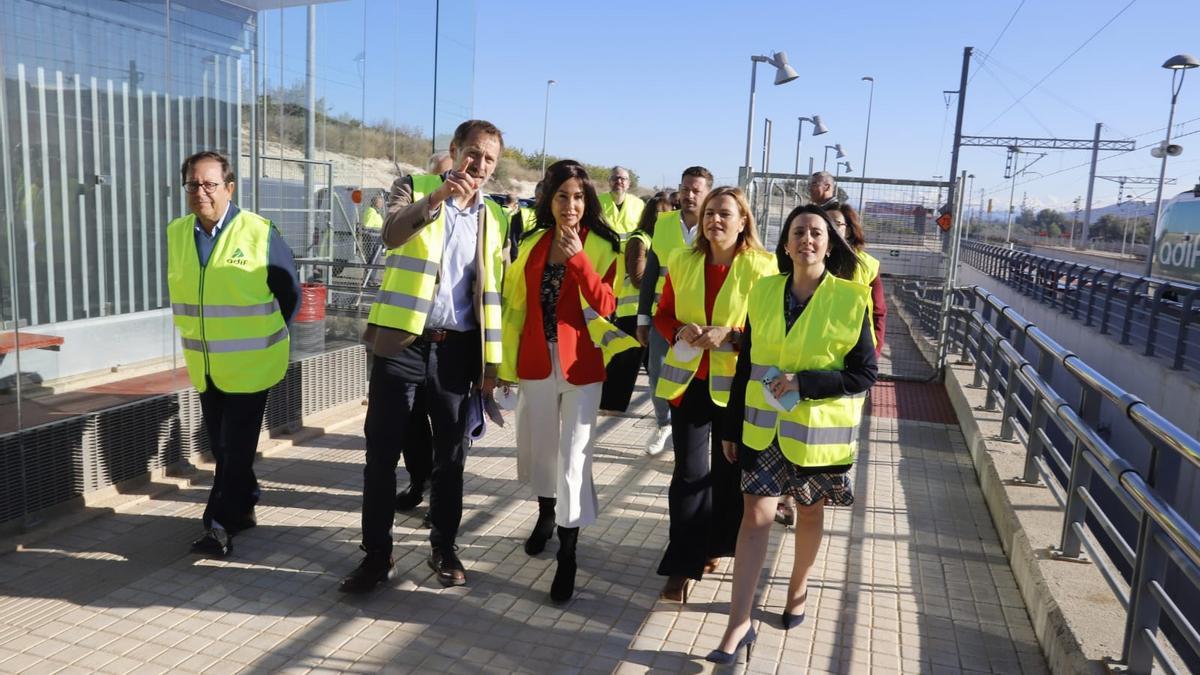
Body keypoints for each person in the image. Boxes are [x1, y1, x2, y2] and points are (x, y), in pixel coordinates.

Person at [340, 120, 508, 593]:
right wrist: (436, 200)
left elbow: (496, 293)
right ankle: (377, 555)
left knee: (451, 457)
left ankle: (444, 546)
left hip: (457, 352)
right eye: (472, 153)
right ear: (455, 151)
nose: (478, 164)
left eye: (489, 159)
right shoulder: (414, 187)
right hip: (402, 345)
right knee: (381, 454)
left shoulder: (493, 217)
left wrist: (492, 368)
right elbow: (391, 234)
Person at [707, 204, 878, 664]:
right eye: (798, 231)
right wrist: (731, 424)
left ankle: (797, 590)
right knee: (755, 520)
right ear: (785, 244)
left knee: (810, 516)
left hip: (816, 435)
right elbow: (746, 365)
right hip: (763, 429)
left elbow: (863, 374)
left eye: (816, 232)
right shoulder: (763, 292)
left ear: (829, 244)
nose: (807, 238)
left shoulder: (851, 297)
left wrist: (805, 382)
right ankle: (738, 623)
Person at [499, 160, 638, 603]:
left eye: (578, 197)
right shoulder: (534, 241)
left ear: (588, 201)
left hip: (582, 365)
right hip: (536, 360)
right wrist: (502, 366)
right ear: (548, 199)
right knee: (539, 449)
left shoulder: (603, 244)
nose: (571, 205)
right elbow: (515, 306)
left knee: (574, 456)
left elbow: (608, 302)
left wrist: (578, 259)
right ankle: (545, 516)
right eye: (562, 196)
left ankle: (569, 552)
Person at [167, 150, 300, 558]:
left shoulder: (259, 232)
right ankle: (245, 502)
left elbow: (290, 294)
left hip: (252, 365)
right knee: (224, 447)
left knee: (235, 447)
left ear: (229, 187)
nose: (200, 192)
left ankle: (219, 525)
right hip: (207, 367)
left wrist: (265, 336)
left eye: (209, 184)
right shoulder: (177, 233)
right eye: (193, 184)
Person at [652, 187, 775, 602]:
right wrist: (678, 330)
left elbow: (769, 330)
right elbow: (663, 314)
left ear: (743, 221)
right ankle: (682, 563)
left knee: (727, 476)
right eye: (709, 214)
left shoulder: (763, 267)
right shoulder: (682, 261)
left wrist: (732, 335)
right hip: (688, 384)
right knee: (688, 475)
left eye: (724, 214)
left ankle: (715, 545)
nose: (714, 221)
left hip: (737, 389)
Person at [636, 167, 713, 456]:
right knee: (657, 373)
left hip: (701, 323)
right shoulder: (664, 223)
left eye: (697, 190)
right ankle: (663, 423)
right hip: (664, 317)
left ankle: (693, 435)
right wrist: (643, 317)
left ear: (707, 194)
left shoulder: (714, 226)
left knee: (697, 378)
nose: (690, 195)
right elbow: (652, 271)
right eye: (685, 189)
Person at [599, 193, 673, 413]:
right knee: (626, 365)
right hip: (634, 311)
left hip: (651, 311)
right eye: (661, 212)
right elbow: (639, 277)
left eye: (668, 213)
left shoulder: (661, 240)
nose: (665, 217)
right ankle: (610, 407)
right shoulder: (640, 239)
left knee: (654, 369)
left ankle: (664, 414)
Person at [597, 166, 645, 240]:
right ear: (609, 182)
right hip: (602, 248)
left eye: (623, 179)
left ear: (629, 183)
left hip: (630, 249)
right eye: (615, 178)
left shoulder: (639, 204)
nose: (619, 181)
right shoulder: (597, 201)